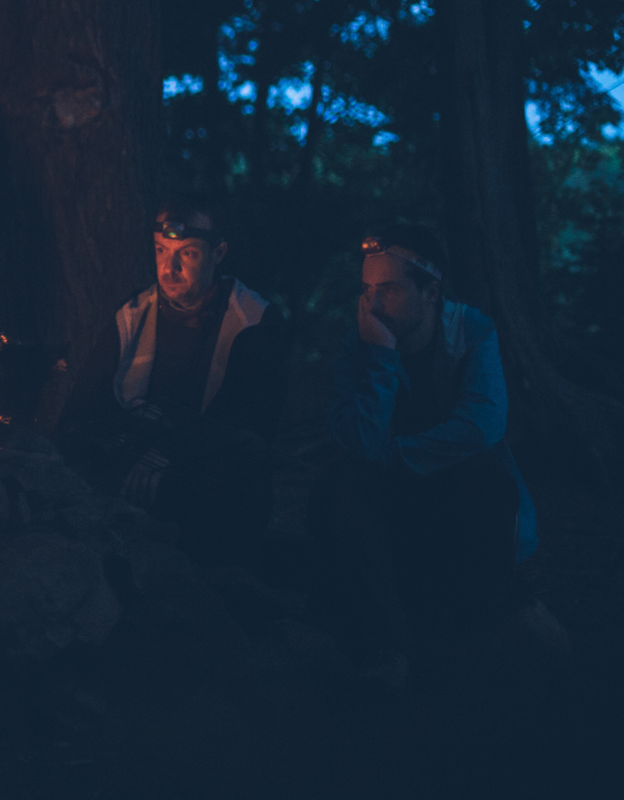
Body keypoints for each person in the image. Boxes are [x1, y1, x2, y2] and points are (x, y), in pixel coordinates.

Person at [312, 224, 537, 688]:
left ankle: (484, 622)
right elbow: (356, 444)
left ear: (430, 292)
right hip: (389, 502)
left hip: (450, 491)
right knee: (341, 483)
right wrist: (380, 359)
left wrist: (397, 454)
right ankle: (386, 646)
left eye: (389, 290)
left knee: (486, 471)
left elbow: (482, 424)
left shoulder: (471, 332)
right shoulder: (359, 345)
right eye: (367, 290)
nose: (373, 304)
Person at [58, 196, 290, 563]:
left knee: (244, 458)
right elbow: (80, 410)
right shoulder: (133, 315)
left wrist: (169, 454)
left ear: (218, 253)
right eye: (161, 250)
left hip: (204, 473)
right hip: (133, 465)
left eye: (189, 254)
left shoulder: (253, 322)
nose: (170, 268)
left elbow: (252, 426)